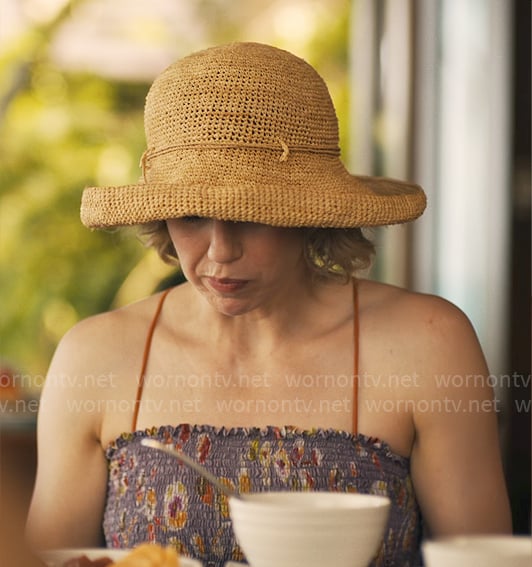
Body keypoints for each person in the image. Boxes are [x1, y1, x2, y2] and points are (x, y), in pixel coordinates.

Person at [26, 42, 511, 566]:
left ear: (311, 213)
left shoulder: (429, 342)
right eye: (190, 216)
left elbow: (484, 560)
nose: (220, 252)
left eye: (251, 215)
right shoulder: (95, 357)